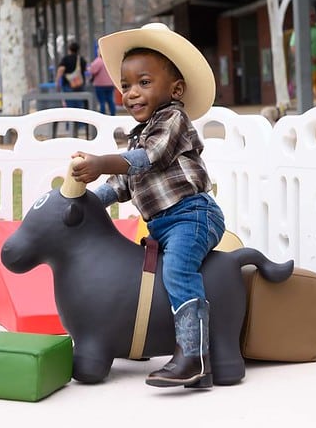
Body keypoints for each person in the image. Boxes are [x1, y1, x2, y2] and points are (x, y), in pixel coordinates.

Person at [70, 22, 225, 389]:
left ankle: (193, 356)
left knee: (177, 271)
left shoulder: (173, 119)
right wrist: (89, 202)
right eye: (125, 85)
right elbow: (123, 183)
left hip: (192, 215)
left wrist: (100, 161)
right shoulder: (138, 132)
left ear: (175, 89)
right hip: (162, 225)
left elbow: (147, 158)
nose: (131, 93)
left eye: (144, 82)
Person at [290, 7, 316, 127]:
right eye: (311, 16)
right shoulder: (299, 29)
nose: (313, 18)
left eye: (314, 15)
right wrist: (308, 57)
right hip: (307, 70)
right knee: (307, 96)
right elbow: (293, 48)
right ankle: (307, 121)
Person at [55, 41, 87, 136]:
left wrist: (57, 81)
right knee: (79, 106)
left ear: (69, 49)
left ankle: (70, 126)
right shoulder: (81, 59)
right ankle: (80, 126)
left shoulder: (66, 59)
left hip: (68, 85)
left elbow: (61, 70)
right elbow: (84, 71)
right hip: (79, 86)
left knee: (70, 106)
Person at [88, 46, 116, 115]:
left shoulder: (98, 61)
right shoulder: (110, 61)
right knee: (110, 100)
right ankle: (113, 114)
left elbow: (92, 71)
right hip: (110, 84)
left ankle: (102, 115)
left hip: (100, 85)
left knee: (102, 102)